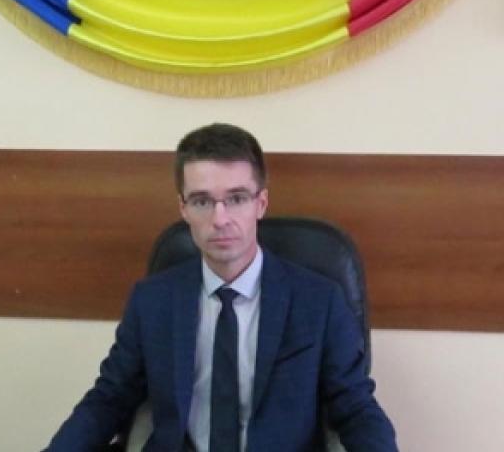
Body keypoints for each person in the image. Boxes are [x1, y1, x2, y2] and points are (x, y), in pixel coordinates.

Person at [45, 123, 398, 452]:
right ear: (183, 209)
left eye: (237, 198)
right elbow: (108, 399)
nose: (220, 219)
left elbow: (356, 409)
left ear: (261, 203)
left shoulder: (319, 302)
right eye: (202, 201)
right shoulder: (152, 301)